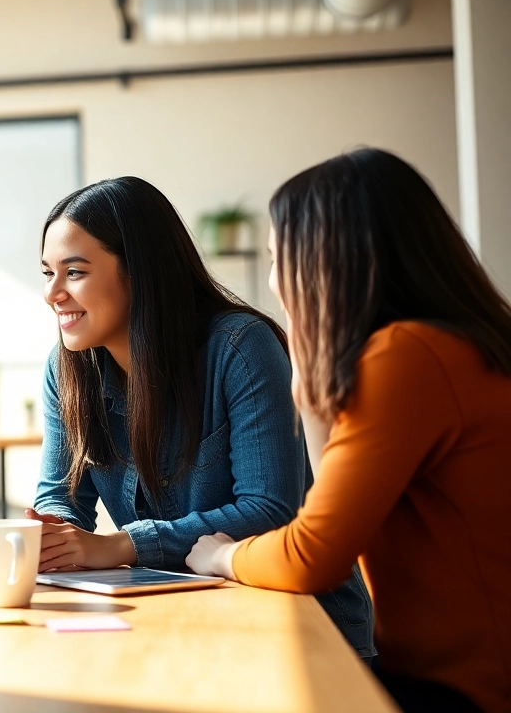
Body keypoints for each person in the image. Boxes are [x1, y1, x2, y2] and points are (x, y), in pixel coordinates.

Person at [187, 149, 511, 712]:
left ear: (322, 260)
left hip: (466, 689)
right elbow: (330, 526)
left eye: (276, 258)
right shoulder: (454, 343)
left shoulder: (408, 356)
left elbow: (313, 556)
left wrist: (221, 556)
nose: (272, 280)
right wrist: (311, 389)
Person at [30, 176, 374, 658]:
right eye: (48, 273)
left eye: (75, 272)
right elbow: (61, 498)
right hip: (175, 619)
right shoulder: (66, 368)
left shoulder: (240, 347)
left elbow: (270, 509)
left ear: (139, 272)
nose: (53, 294)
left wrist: (121, 545)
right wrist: (51, 536)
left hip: (298, 632)